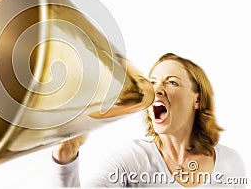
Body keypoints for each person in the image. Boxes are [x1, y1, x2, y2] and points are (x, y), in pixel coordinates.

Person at [51, 53, 246, 187]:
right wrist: (65, 160)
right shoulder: (133, 159)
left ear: (197, 99)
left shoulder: (230, 162)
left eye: (172, 82)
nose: (157, 89)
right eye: (152, 82)